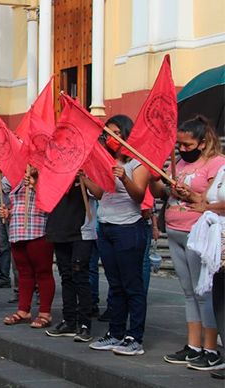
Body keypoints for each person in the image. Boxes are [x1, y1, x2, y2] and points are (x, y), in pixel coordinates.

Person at [150, 116, 225, 369]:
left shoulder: (217, 163)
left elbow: (211, 199)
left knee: (203, 292)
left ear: (203, 143)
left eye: (187, 145)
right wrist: (155, 179)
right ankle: (193, 345)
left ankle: (211, 348)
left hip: (198, 233)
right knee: (188, 292)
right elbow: (160, 193)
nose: (182, 150)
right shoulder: (179, 163)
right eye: (179, 145)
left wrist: (189, 193)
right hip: (175, 230)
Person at [86, 114, 151, 356]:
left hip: (129, 227)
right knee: (114, 285)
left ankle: (134, 336)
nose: (109, 138)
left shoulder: (138, 163)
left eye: (114, 133)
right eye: (107, 134)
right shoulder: (107, 161)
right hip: (107, 226)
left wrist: (124, 177)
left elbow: (139, 196)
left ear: (125, 134)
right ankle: (115, 333)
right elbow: (101, 194)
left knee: (131, 284)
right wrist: (85, 177)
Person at [0, 169, 55, 329]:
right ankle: (24, 310)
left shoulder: (46, 176)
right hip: (17, 229)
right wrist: (7, 212)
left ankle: (45, 312)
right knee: (24, 273)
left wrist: (35, 183)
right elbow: (13, 201)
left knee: (43, 272)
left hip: (38, 229)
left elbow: (51, 201)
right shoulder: (17, 178)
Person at [45, 175, 96, 342]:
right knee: (66, 276)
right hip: (59, 227)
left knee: (80, 276)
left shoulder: (86, 170)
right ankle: (69, 320)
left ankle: (85, 323)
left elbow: (100, 192)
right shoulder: (55, 170)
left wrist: (84, 178)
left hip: (81, 230)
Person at [191, 162, 225, 379]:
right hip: (217, 246)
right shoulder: (222, 169)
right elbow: (205, 198)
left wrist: (208, 208)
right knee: (220, 300)